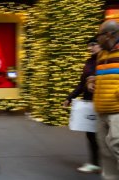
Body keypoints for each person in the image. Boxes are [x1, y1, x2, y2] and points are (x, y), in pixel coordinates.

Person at [63, 37, 101, 173]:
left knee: (107, 135)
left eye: (93, 45)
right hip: (89, 103)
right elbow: (81, 84)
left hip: (104, 102)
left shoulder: (107, 61)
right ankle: (96, 163)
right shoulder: (89, 62)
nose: (90, 48)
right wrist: (70, 98)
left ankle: (104, 163)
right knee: (91, 133)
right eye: (89, 46)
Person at [87, 20, 119, 180]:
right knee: (105, 150)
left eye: (99, 35)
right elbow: (100, 76)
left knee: (116, 145)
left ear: (109, 35)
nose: (97, 39)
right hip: (101, 109)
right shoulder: (101, 55)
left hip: (117, 110)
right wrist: (91, 81)